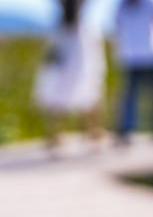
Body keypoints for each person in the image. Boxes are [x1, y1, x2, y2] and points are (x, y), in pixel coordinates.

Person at [33, 0, 106, 149]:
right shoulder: (79, 23)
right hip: (76, 46)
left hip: (71, 46)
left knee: (66, 92)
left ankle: (57, 133)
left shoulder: (63, 25)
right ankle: (89, 130)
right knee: (85, 88)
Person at [114, 0, 153, 143]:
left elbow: (117, 27)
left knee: (131, 96)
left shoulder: (122, 5)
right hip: (152, 54)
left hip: (132, 55)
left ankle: (126, 130)